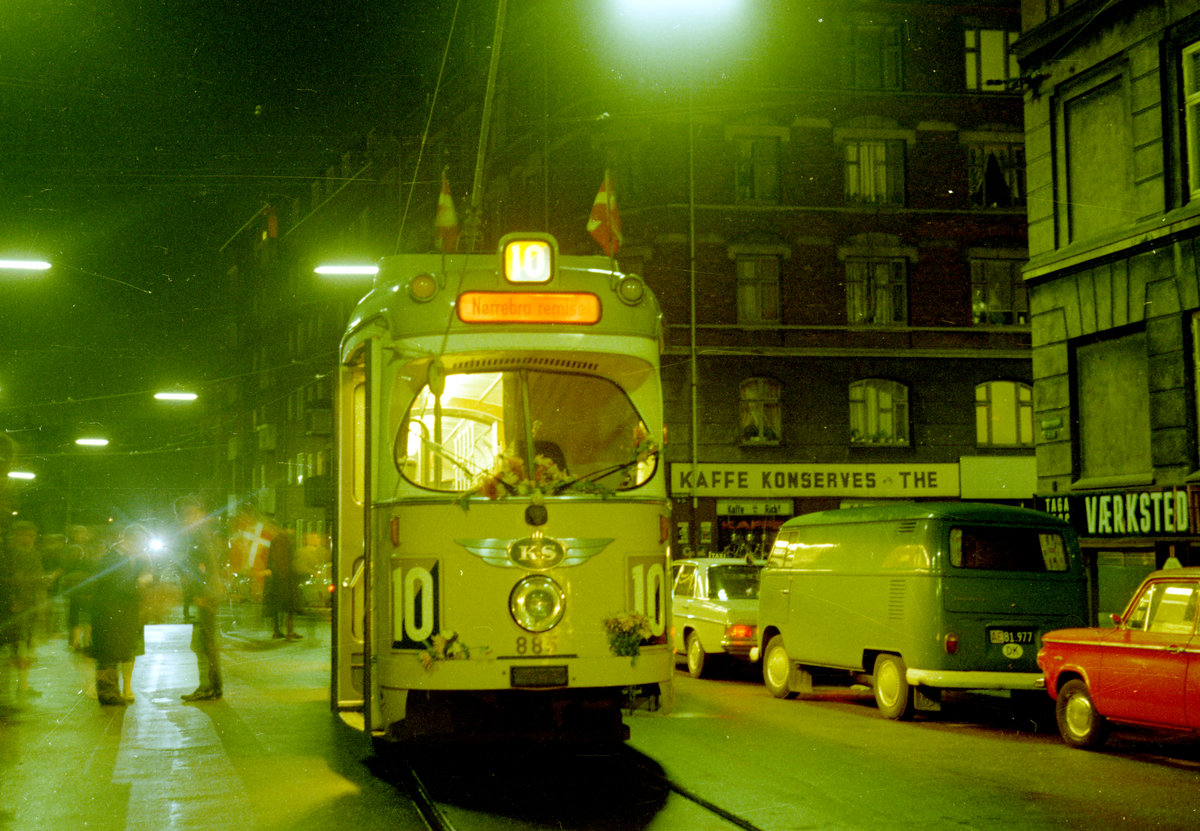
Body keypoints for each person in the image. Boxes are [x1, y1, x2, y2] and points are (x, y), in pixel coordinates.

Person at [89, 525, 154, 706]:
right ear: (130, 540)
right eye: (141, 543)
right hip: (109, 613)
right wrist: (139, 583)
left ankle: (112, 693)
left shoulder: (130, 558)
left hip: (123, 613)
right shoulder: (112, 559)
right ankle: (108, 694)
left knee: (115, 652)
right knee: (108, 654)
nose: (143, 547)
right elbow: (119, 586)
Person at [177, 496, 225, 702]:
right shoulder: (202, 534)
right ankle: (213, 687)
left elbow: (209, 565)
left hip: (206, 594)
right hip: (207, 592)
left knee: (205, 644)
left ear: (201, 514)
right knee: (205, 642)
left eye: (191, 514)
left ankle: (208, 687)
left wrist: (204, 592)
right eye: (185, 515)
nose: (186, 519)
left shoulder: (201, 535)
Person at [0, 520, 44, 700]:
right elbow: (10, 580)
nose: (31, 539)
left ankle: (22, 685)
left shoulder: (32, 553)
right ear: (18, 535)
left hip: (28, 604)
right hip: (13, 606)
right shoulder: (9, 554)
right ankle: (11, 687)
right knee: (14, 646)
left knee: (24, 646)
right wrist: (14, 599)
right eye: (27, 535)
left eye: (33, 536)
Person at [263, 527, 300, 640]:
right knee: (289, 605)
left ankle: (278, 631)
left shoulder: (276, 540)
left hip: (277, 577)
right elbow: (282, 559)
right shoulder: (282, 540)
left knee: (278, 607)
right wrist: (286, 573)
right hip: (283, 577)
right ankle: (288, 632)